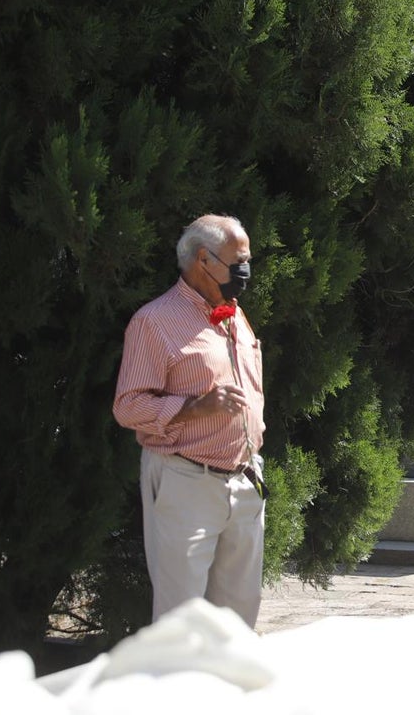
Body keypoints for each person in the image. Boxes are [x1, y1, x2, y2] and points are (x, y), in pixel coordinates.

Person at [113, 214, 267, 627]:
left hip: (245, 479)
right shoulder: (154, 322)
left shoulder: (235, 315)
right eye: (239, 261)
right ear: (204, 260)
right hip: (186, 481)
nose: (246, 271)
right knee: (180, 621)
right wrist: (195, 407)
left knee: (238, 621)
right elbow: (127, 407)